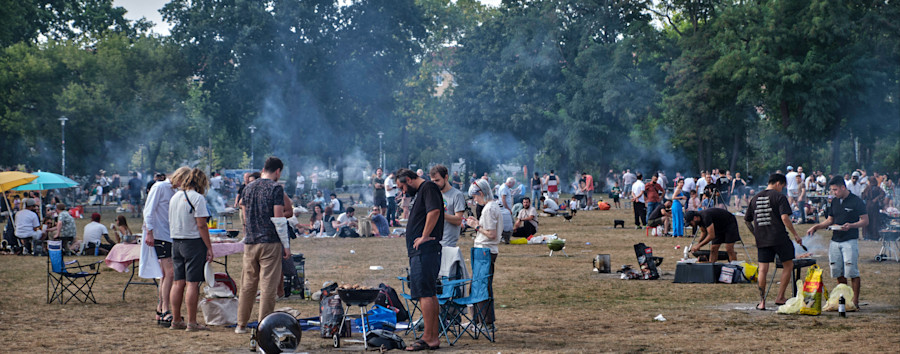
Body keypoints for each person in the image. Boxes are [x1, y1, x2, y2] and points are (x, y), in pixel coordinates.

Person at [235, 157, 289, 334]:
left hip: (250, 242)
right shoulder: (275, 188)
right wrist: (286, 245)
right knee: (268, 287)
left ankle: (241, 324)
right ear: (278, 171)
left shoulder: (248, 188)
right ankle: (263, 327)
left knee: (247, 285)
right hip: (270, 242)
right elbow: (279, 219)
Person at [394, 168, 444, 351]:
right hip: (422, 252)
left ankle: (429, 338)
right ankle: (431, 336)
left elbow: (435, 211)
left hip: (425, 251)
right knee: (429, 293)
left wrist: (424, 235)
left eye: (403, 187)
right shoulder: (422, 192)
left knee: (425, 293)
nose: (403, 191)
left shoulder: (428, 188)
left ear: (408, 179)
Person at [807, 177, 868, 308]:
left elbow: (865, 221)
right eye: (832, 190)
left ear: (843, 187)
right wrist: (816, 227)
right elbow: (830, 220)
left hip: (850, 240)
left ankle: (855, 301)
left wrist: (851, 225)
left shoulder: (856, 201)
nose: (833, 192)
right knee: (838, 271)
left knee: (852, 271)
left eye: (835, 190)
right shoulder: (834, 201)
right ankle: (844, 299)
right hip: (835, 240)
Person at [744, 173, 802, 310]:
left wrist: (756, 234)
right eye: (782, 186)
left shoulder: (755, 198)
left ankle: (762, 301)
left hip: (762, 239)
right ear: (778, 183)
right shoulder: (780, 197)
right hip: (779, 237)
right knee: (788, 265)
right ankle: (780, 297)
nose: (782, 189)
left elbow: (747, 220)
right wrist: (796, 235)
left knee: (763, 270)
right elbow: (785, 218)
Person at [167, 167, 214, 331]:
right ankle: (192, 323)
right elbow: (201, 225)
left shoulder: (175, 197)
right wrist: (209, 247)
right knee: (192, 284)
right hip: (193, 243)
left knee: (178, 282)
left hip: (176, 242)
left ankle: (176, 320)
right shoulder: (198, 198)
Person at [464, 178, 500, 333]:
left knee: (481, 288)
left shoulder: (490, 208)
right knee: (477, 287)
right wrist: (478, 222)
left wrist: (476, 226)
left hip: (485, 251)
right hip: (483, 251)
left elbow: (491, 234)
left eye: (475, 197)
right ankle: (478, 321)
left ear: (481, 193)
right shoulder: (489, 207)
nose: (474, 200)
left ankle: (486, 323)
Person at [144, 170, 177, 326]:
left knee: (165, 274)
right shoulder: (159, 187)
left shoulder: (175, 190)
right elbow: (148, 211)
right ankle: (165, 308)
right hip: (159, 234)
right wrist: (149, 232)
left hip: (170, 234)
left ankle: (160, 309)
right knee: (170, 272)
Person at [430, 165, 466, 248]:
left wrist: (439, 213)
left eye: (437, 180)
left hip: (447, 242)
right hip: (433, 241)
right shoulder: (433, 194)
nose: (435, 184)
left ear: (446, 177)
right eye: (433, 181)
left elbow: (458, 220)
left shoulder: (457, 195)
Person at [497, 177, 515, 244]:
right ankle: (504, 237)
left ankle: (504, 237)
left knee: (507, 223)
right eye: (513, 184)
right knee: (509, 223)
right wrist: (508, 208)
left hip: (505, 209)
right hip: (504, 209)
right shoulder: (504, 188)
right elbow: (503, 199)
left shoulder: (506, 188)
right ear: (510, 183)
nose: (513, 186)